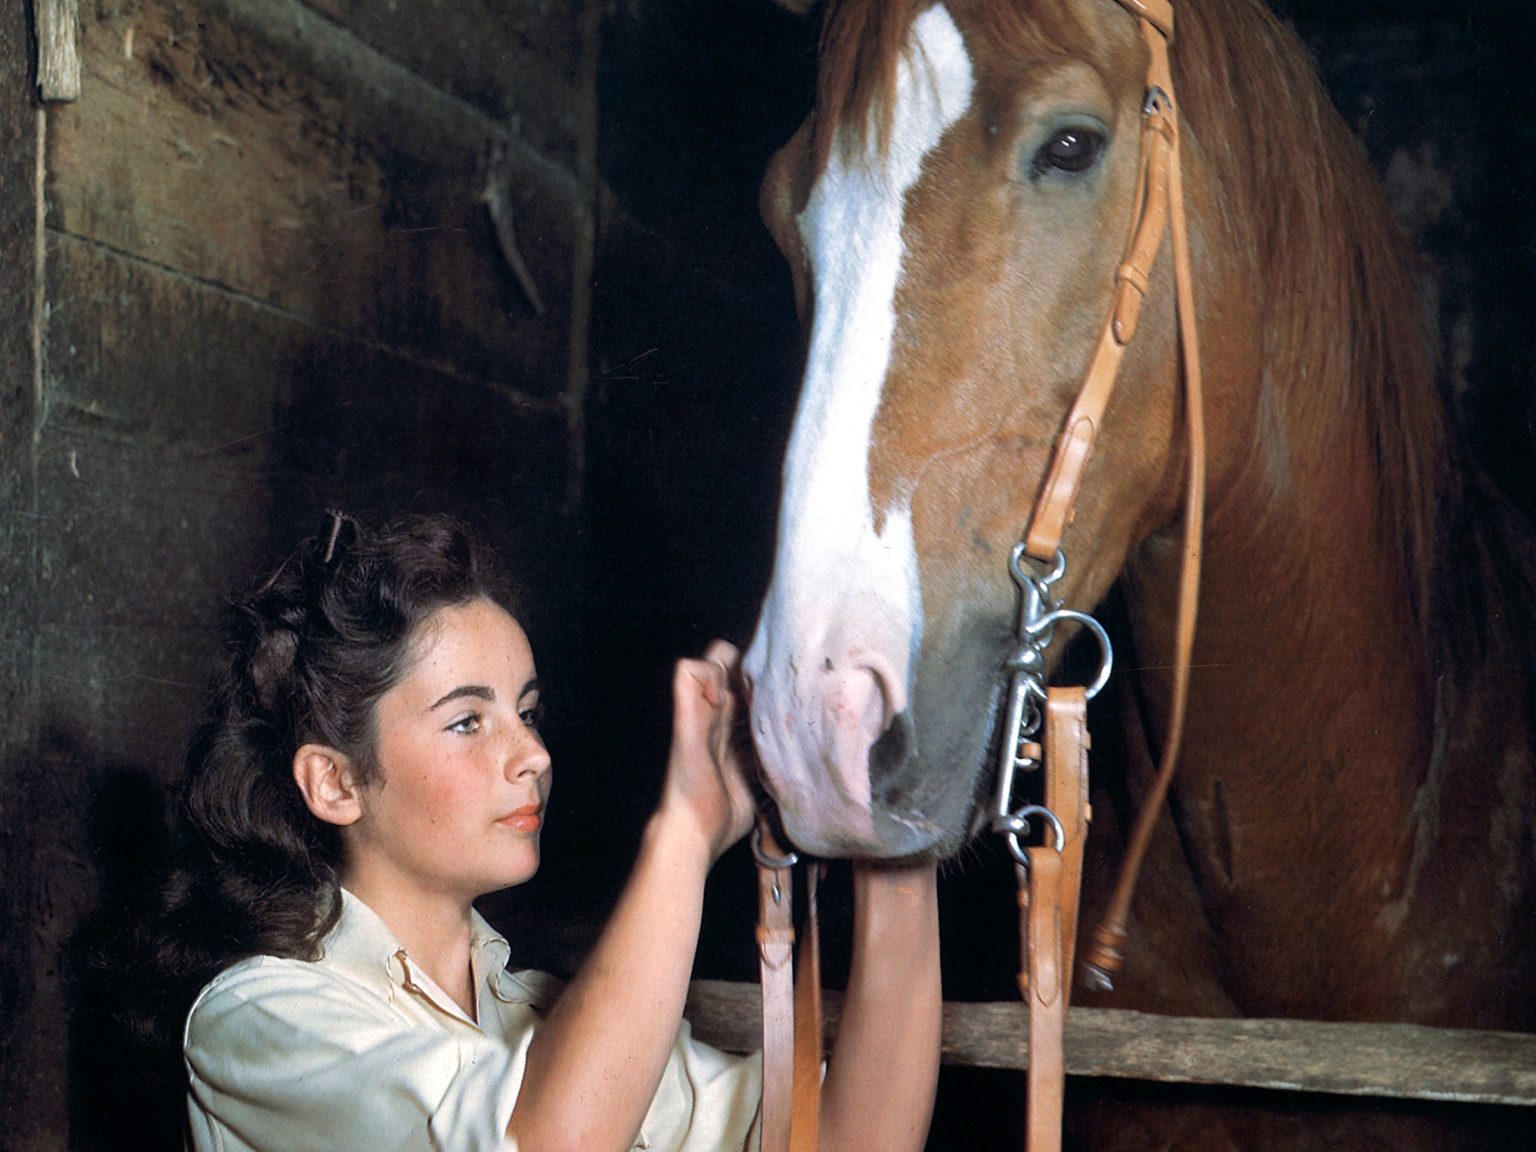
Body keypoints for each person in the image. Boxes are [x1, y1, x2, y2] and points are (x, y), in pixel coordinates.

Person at [159, 512, 941, 1152]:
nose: (532, 755)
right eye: (468, 721)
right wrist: (684, 832)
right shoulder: (260, 1020)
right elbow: (550, 1140)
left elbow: (846, 1139)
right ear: (334, 783)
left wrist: (899, 823)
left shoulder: (546, 1014)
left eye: (527, 713)